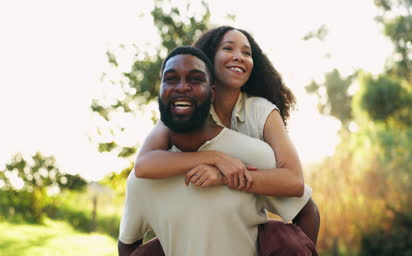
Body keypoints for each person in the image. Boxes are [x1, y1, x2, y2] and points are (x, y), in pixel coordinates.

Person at [118, 46, 316, 256]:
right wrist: (213, 158)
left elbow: (307, 212)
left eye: (195, 79)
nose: (182, 87)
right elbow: (128, 245)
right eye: (171, 79)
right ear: (161, 90)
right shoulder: (143, 177)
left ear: (212, 92)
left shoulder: (253, 154)